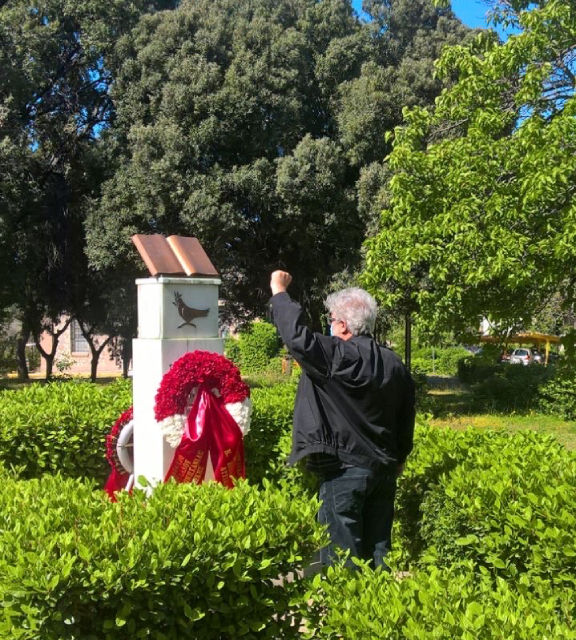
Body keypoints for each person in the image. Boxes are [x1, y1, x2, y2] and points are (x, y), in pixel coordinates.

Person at [268, 270, 415, 570]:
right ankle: (379, 613)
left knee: (341, 559)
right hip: (384, 471)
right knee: (379, 555)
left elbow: (296, 338)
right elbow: (406, 414)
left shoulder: (335, 356)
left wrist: (279, 291)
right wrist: (400, 457)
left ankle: (345, 614)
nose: (329, 325)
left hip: (344, 471)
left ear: (344, 325)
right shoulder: (393, 362)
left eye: (331, 320)